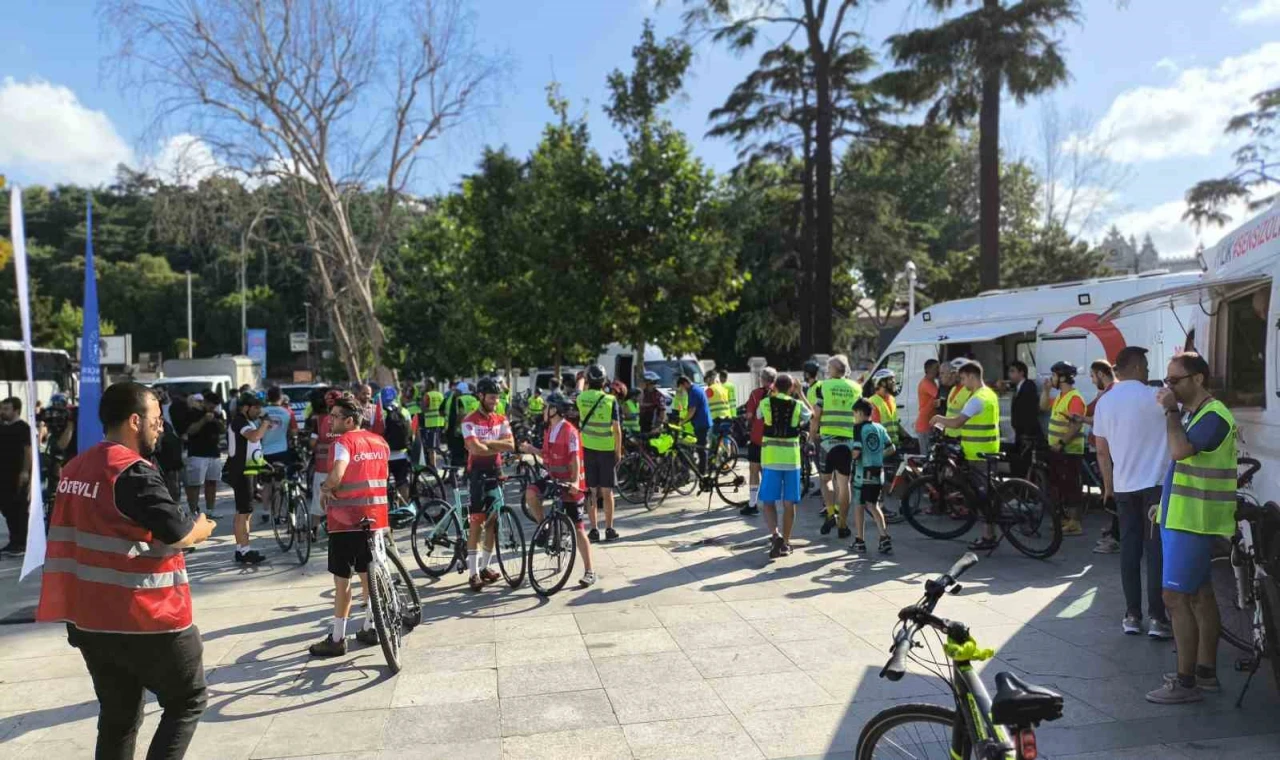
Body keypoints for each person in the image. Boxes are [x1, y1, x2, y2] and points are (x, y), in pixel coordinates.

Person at [36, 381, 216, 759]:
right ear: (135, 420)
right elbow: (178, 533)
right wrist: (202, 528)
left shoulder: (74, 469)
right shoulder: (130, 472)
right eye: (156, 418)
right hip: (145, 617)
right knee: (188, 700)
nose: (162, 426)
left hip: (89, 620)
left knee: (118, 717)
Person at [1145, 352, 1237, 704]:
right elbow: (1185, 470)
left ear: (1198, 379)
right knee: (1199, 596)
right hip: (1182, 516)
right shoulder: (1199, 414)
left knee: (1176, 597)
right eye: (1167, 381)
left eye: (1175, 381)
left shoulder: (1214, 416)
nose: (1169, 387)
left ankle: (1186, 684)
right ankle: (1205, 674)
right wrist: (1164, 504)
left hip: (1193, 521)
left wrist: (1170, 411)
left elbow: (1180, 451)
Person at [1093, 346, 1171, 638]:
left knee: (1129, 551)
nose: (1149, 369)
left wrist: (1108, 487)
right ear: (1137, 367)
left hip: (1124, 487)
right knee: (1155, 552)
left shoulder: (1105, 403)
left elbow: (1102, 451)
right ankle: (1158, 619)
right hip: (1156, 487)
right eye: (1147, 364)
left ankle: (1132, 616)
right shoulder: (1158, 396)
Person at [309, 396, 392, 657]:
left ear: (349, 420)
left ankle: (337, 638)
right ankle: (371, 626)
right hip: (376, 518)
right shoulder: (379, 441)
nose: (329, 420)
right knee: (369, 576)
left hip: (345, 521)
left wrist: (325, 489)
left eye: (334, 416)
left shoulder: (343, 442)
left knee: (342, 581)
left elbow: (337, 475)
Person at [520, 392, 597, 586]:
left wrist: (574, 483)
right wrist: (531, 450)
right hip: (553, 478)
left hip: (571, 482)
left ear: (554, 410)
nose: (544, 410)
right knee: (530, 493)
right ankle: (544, 527)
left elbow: (575, 459)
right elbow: (546, 455)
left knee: (578, 528)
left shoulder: (569, 431)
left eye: (547, 407)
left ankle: (589, 571)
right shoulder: (549, 430)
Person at [931, 361, 1002, 550]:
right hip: (988, 449)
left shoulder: (977, 398)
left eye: (963, 378)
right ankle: (991, 532)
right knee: (985, 493)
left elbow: (957, 423)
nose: (962, 382)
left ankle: (988, 537)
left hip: (978, 453)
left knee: (982, 496)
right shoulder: (990, 395)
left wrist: (938, 418)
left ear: (971, 376)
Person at [462, 377, 515, 591]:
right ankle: (473, 573)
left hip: (496, 470)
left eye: (497, 397)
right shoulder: (469, 420)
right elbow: (474, 449)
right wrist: (495, 446)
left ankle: (485, 566)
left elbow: (511, 445)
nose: (495, 401)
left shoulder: (501, 418)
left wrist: (487, 444)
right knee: (477, 522)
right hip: (477, 473)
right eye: (492, 397)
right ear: (481, 396)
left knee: (494, 521)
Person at [812, 355, 861, 538]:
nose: (826, 370)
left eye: (828, 367)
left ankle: (831, 513)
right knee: (844, 483)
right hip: (848, 440)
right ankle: (842, 524)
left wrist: (812, 434)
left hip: (827, 440)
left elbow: (817, 413)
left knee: (825, 479)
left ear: (833, 370)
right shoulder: (856, 388)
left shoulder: (823, 386)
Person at [758, 373, 803, 558]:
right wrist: (800, 394)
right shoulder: (797, 405)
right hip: (792, 460)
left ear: (774, 385)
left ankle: (775, 535)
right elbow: (812, 415)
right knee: (789, 502)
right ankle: (786, 542)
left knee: (768, 500)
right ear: (792, 387)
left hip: (771, 458)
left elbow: (759, 417)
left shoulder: (766, 403)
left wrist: (771, 393)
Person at [578, 365, 622, 543]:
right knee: (607, 491)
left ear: (588, 381)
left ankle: (594, 529)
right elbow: (617, 429)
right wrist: (618, 451)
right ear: (604, 382)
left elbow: (578, 391)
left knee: (591, 491)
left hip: (587, 449)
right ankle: (610, 529)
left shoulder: (581, 398)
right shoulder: (610, 400)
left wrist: (582, 381)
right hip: (606, 450)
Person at [1042, 361, 1086, 536]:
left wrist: (1061, 444)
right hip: (1059, 451)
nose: (1051, 379)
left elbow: (1075, 426)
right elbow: (1043, 406)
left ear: (1061, 377)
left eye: (1053, 375)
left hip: (1069, 451)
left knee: (1071, 487)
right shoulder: (1061, 396)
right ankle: (1067, 520)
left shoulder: (1074, 398)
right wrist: (1046, 391)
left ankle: (1075, 523)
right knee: (1061, 486)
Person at [226, 393, 268, 565]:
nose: (259, 411)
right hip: (241, 471)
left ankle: (240, 549)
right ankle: (245, 550)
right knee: (244, 513)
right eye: (256, 408)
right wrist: (265, 423)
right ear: (245, 408)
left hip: (248, 470)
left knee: (244, 512)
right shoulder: (239, 422)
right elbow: (254, 436)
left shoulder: (245, 421)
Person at [851, 398, 895, 555]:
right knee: (874, 505)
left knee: (859, 505)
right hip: (878, 473)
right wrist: (877, 456)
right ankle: (884, 538)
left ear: (861, 413)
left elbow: (856, 452)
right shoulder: (879, 427)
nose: (854, 417)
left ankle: (860, 541)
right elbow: (891, 448)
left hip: (862, 474)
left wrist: (850, 456)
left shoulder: (858, 429)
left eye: (854, 414)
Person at [1083, 360, 1119, 552]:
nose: (1091, 380)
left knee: (1112, 495)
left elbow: (1101, 424)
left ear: (1100, 374)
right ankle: (1114, 531)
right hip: (1112, 452)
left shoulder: (1110, 394)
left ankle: (1116, 538)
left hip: (1110, 453)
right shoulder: (1110, 392)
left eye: (1091, 375)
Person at [182, 393, 225, 518]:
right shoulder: (193, 413)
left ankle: (210, 510)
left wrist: (217, 421)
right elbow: (190, 430)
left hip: (214, 453)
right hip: (197, 453)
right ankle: (194, 511)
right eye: (211, 404)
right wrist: (204, 420)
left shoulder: (218, 413)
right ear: (205, 402)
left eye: (215, 405)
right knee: (195, 484)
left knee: (212, 482)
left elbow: (223, 429)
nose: (213, 407)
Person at [259, 386, 298, 524]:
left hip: (264, 452)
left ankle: (265, 512)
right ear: (281, 397)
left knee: (266, 483)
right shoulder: (288, 412)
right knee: (278, 484)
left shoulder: (261, 411)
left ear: (268, 397)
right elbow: (294, 431)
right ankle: (276, 515)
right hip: (281, 451)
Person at [742, 366, 777, 517]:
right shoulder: (780, 394)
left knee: (754, 471)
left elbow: (750, 415)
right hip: (774, 440)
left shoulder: (756, 394)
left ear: (762, 379)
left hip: (758, 438)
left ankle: (752, 503)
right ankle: (770, 503)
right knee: (768, 472)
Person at [309, 389, 345, 533]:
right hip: (342, 468)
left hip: (322, 467)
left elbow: (312, 442)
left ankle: (314, 531)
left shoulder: (319, 420)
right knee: (340, 500)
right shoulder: (346, 419)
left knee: (318, 501)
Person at [0, 396, 33, 556]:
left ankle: (22, 543)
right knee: (7, 508)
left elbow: (28, 451)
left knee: (18, 509)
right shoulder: (3, 427)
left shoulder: (22, 428)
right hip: (3, 476)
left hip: (17, 474)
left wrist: (25, 471)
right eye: (2, 409)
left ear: (16, 410)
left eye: (6, 409)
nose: (3, 412)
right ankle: (14, 541)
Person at [802, 359, 833, 519]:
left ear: (807, 374)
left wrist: (811, 433)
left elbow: (814, 412)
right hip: (822, 429)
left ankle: (826, 501)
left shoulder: (814, 389)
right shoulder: (818, 386)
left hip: (819, 430)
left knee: (822, 467)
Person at [379, 386, 415, 504]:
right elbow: (410, 431)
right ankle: (404, 508)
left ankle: (388, 510)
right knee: (402, 482)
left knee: (383, 485)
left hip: (385, 456)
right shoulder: (404, 411)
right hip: (402, 454)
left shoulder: (380, 412)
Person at [675, 374, 714, 478]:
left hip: (702, 423)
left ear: (685, 384)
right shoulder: (696, 389)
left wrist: (682, 422)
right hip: (702, 422)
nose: (682, 390)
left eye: (682, 387)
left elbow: (692, 411)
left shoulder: (694, 392)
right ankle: (702, 470)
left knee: (701, 448)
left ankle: (702, 473)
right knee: (701, 447)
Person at [1007, 361, 1041, 479]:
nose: (1009, 375)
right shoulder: (1019, 387)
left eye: (1012, 371)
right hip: (1020, 433)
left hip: (1027, 433)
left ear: (1021, 373)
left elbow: (1029, 412)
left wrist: (1026, 433)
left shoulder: (1028, 386)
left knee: (1023, 463)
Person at [445, 380, 478, 468]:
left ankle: (454, 475)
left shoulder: (460, 399)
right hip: (472, 429)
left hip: (460, 430)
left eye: (457, 391)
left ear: (461, 391)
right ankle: (468, 473)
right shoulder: (474, 398)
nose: (455, 392)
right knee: (469, 452)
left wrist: (456, 426)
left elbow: (461, 414)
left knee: (457, 454)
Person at [866, 369, 901, 448]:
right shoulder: (873, 401)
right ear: (882, 382)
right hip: (882, 446)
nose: (894, 382)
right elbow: (874, 428)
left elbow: (894, 422)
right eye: (890, 379)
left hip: (894, 445)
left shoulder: (892, 399)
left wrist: (906, 436)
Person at [418, 379, 446, 469]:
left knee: (431, 448)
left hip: (430, 423)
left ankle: (433, 467)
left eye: (426, 384)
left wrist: (421, 401)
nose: (424, 386)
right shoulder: (440, 395)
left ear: (429, 385)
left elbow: (423, 409)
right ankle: (432, 465)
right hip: (440, 422)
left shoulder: (427, 395)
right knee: (434, 446)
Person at [914, 360, 940, 455]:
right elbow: (939, 396)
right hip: (925, 425)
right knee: (927, 456)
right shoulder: (927, 383)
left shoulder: (932, 382)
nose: (938, 370)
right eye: (936, 368)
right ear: (928, 369)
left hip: (928, 423)